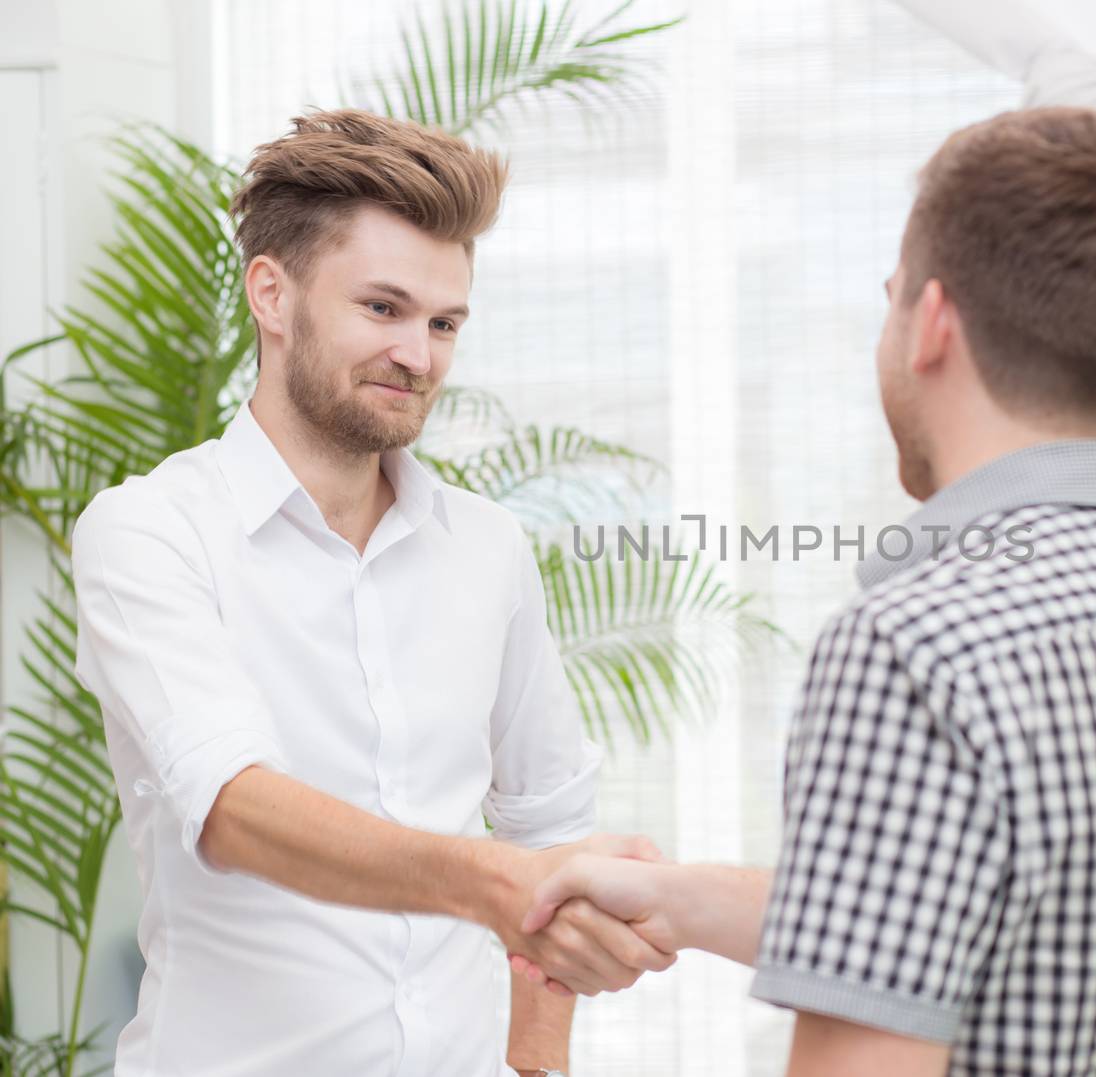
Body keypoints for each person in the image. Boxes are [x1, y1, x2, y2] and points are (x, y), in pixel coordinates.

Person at [516, 106, 1096, 1076]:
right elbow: (1037, 919)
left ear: (933, 324)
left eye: (890, 298)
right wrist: (687, 900)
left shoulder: (917, 648)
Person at [69, 108, 669, 1077]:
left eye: (443, 323)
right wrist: (495, 882)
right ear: (272, 293)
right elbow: (235, 808)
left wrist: (538, 1061)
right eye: (383, 310)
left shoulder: (489, 549)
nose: (419, 357)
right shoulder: (148, 534)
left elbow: (550, 825)